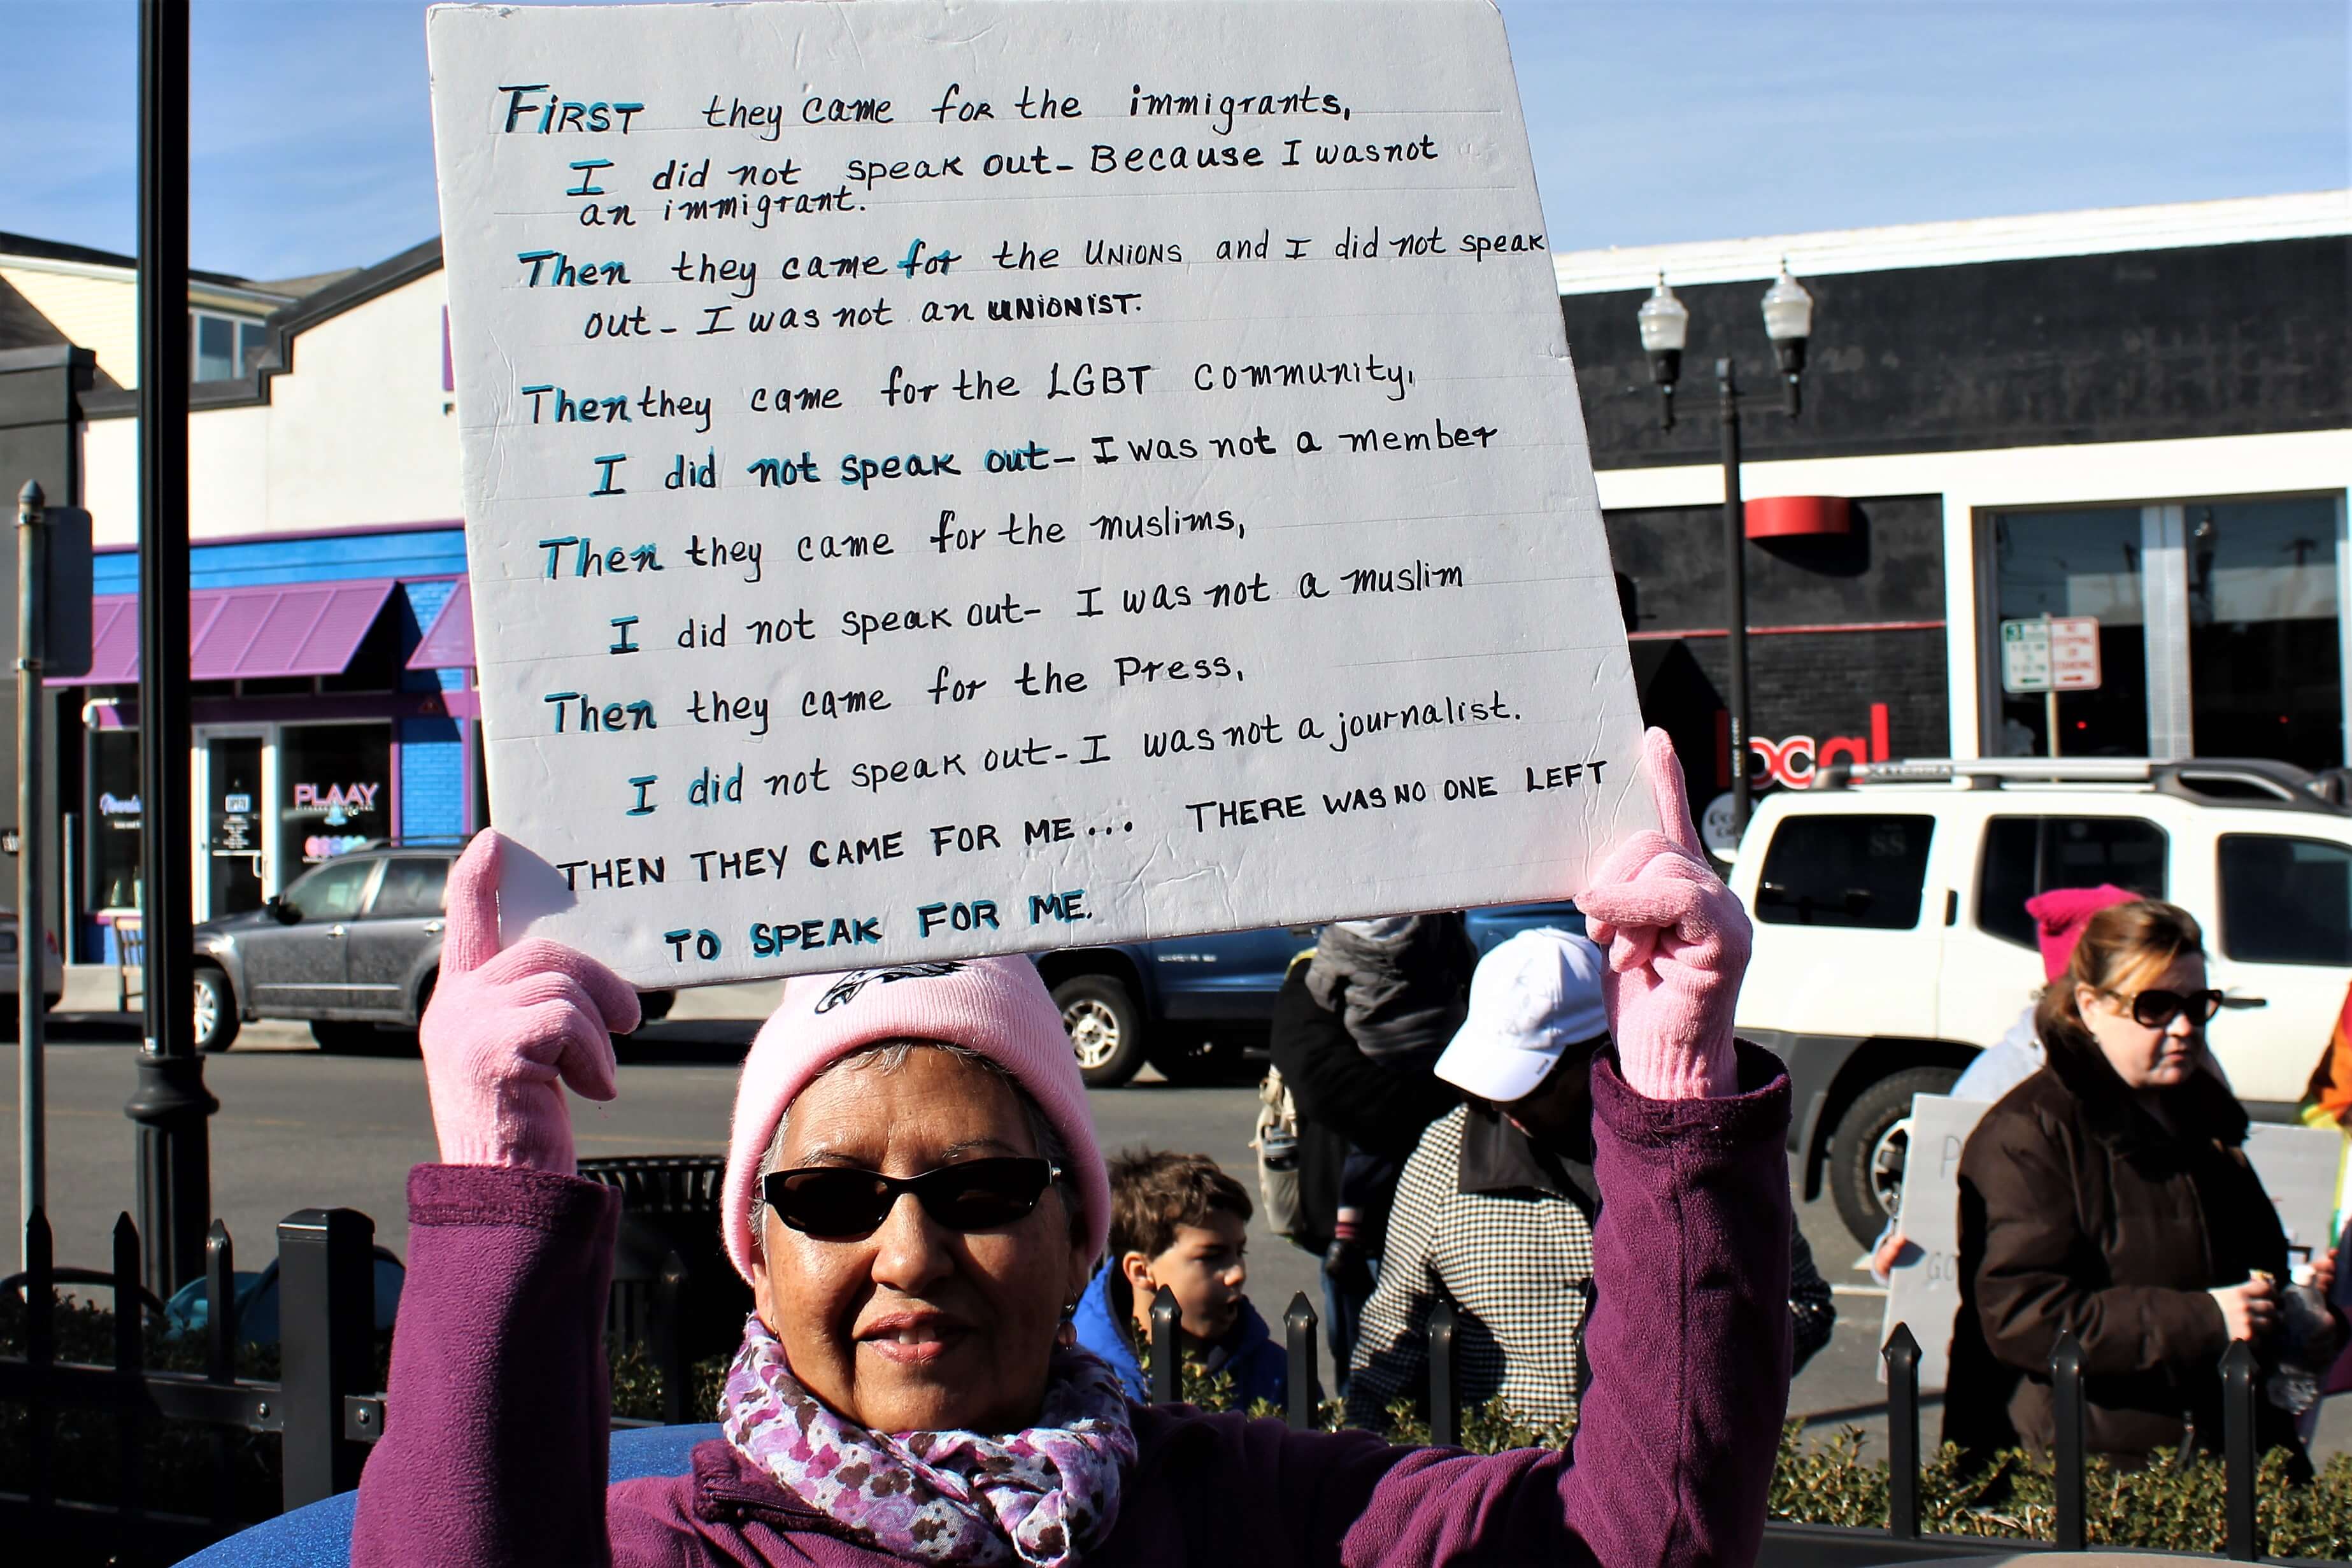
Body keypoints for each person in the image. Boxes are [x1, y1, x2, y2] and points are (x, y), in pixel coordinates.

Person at [349, 729, 1797, 1567]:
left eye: (980, 1187)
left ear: (1078, 1233)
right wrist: (500, 1176)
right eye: (833, 1195)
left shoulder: (1252, 1515)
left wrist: (1673, 1081)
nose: (906, 1250)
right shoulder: (667, 1549)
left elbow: (1632, 1546)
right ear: (755, 1249)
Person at [1346, 929, 1833, 1434]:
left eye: (1532, 1080)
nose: (1499, 1102)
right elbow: (1391, 1335)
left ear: (1601, 1052)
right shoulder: (1447, 1158)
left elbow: (1801, 1301)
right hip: (1515, 1486)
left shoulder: (1698, 1142)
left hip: (1677, 1475)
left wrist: (1696, 1382)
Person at [1945, 897, 2345, 1465]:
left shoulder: (2203, 1119)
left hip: (2216, 1457)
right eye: (2155, 1007)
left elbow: (2248, 1276)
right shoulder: (2028, 1133)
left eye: (2198, 1004)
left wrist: (2297, 1313)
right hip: (2089, 1473)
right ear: (2089, 1006)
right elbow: (2023, 1316)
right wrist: (2206, 1319)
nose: (2182, 1027)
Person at [1869, 883, 2139, 1282]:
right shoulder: (2000, 1079)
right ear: (2081, 997)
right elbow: (1930, 1210)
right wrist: (1893, 1255)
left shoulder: (2177, 1074)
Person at [1265, 946, 1462, 1385]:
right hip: (1356, 1225)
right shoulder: (1315, 971)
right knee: (1364, 1373)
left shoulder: (1448, 960)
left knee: (1449, 1377)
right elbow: (1322, 1080)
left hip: (1446, 1218)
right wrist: (1431, 1114)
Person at [1301, 915, 1478, 1362]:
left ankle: (1347, 1229)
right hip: (1437, 1048)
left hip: (1377, 1048)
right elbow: (1467, 970)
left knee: (1363, 1349)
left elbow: (1315, 996)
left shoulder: (1336, 944)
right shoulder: (1436, 928)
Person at [1071, 1149, 1285, 1408]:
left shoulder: (1275, 1375)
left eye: (1240, 1252)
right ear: (1140, 1271)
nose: (1238, 1273)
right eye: (1211, 1256)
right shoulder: (1078, 1378)